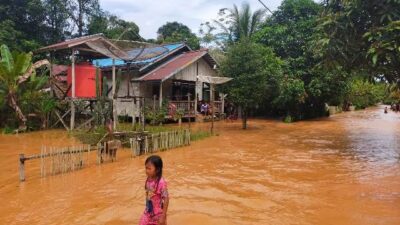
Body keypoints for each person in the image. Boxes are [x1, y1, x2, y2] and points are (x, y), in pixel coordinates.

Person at [139, 155, 169, 225]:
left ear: (157, 169)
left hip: (159, 214)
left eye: (149, 169)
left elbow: (166, 199)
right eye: (146, 168)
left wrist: (163, 216)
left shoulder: (161, 183)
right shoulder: (148, 179)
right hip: (148, 212)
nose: (146, 171)